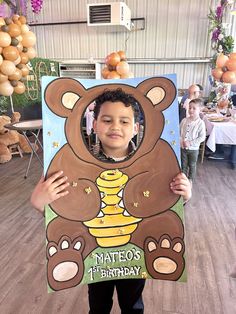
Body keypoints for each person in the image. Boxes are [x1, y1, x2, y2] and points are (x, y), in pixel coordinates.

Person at [31, 88, 192, 314]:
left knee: (133, 305)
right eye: (107, 120)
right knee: (98, 306)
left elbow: (162, 204)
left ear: (136, 128)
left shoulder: (155, 165)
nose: (116, 126)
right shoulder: (73, 168)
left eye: (124, 121)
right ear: (94, 125)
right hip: (95, 253)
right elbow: (63, 209)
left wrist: (183, 196)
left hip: (134, 252)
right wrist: (40, 204)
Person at [180, 98, 206, 183]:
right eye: (190, 107)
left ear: (200, 110)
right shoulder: (184, 120)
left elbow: (202, 137)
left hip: (193, 149)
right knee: (183, 164)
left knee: (192, 165)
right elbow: (179, 132)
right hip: (183, 148)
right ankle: (183, 179)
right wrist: (181, 141)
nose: (191, 110)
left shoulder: (200, 123)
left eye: (194, 108)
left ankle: (190, 180)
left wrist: (190, 142)